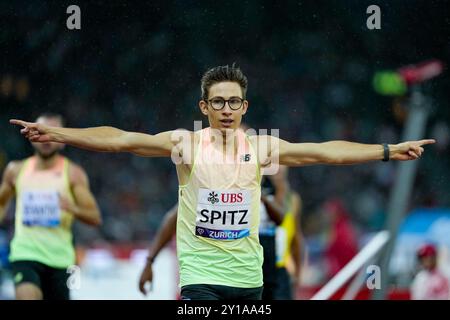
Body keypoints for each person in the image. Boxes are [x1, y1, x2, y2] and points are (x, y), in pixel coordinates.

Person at [10, 64, 435, 300]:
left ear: (244, 105)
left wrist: (387, 151)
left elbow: (325, 150)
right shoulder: (186, 144)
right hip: (200, 279)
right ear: (205, 106)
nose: (227, 108)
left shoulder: (263, 148)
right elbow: (121, 141)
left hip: (249, 280)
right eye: (218, 102)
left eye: (234, 101)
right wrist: (63, 135)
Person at [0, 113, 101, 300]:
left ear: (62, 140)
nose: (46, 139)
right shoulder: (15, 170)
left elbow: (95, 217)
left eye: (53, 133)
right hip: (25, 253)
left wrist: (73, 208)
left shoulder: (73, 174)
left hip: (61, 260)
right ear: (30, 136)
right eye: (40, 131)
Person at [274, 167, 303, 300]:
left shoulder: (293, 200)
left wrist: (297, 271)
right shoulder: (257, 195)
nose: (279, 168)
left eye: (283, 164)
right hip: (256, 268)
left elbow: (296, 238)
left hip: (282, 270)